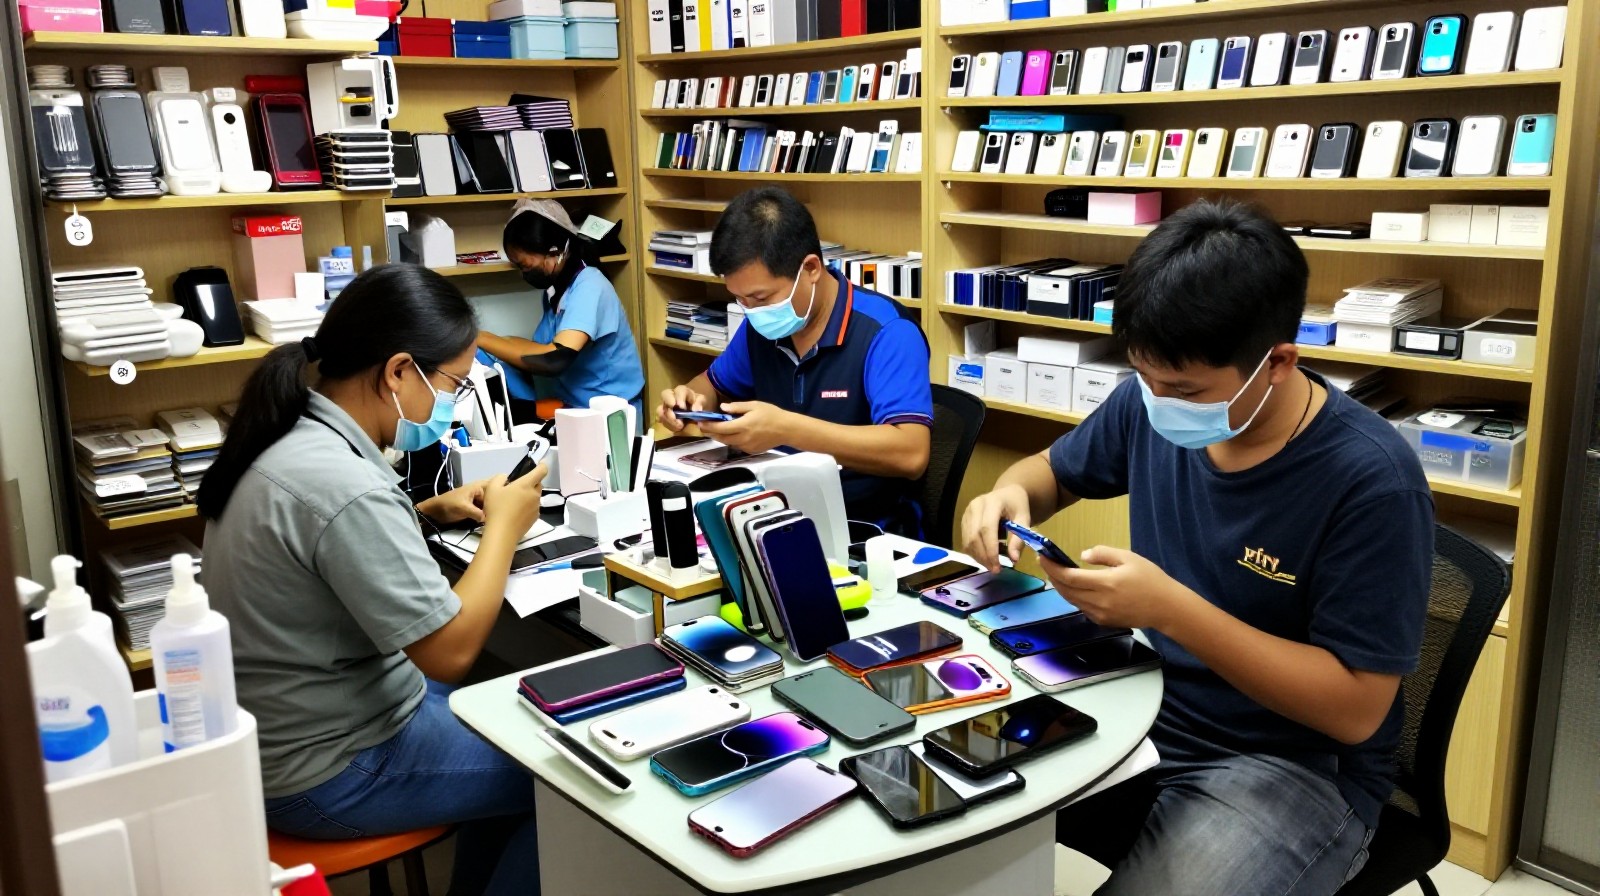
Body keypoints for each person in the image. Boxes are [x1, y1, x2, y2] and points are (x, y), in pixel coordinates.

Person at [962, 200, 1433, 896]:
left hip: (1293, 766)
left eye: (1182, 389)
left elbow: (1355, 707)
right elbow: (1049, 474)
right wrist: (1006, 497)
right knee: (948, 802)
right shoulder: (1149, 403)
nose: (1157, 401)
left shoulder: (1372, 481)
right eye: (1146, 379)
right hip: (1140, 705)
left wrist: (1171, 610)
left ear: (1278, 362)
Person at [198, 265, 546, 896]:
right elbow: (449, 652)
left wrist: (422, 512)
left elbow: (316, 548)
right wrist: (505, 526)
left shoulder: (293, 432)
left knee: (518, 717)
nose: (449, 403)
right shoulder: (345, 485)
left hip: (289, 733)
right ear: (397, 372)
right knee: (562, 780)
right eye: (452, 385)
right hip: (329, 768)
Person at [656, 186, 933, 534]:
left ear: (812, 268)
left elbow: (911, 453)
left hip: (864, 530)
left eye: (760, 297)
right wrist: (689, 401)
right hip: (769, 516)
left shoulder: (887, 332)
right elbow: (712, 384)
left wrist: (785, 430)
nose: (752, 311)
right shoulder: (762, 325)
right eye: (740, 299)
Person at [477, 199, 645, 421]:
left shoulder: (590, 286)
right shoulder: (556, 291)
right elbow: (538, 348)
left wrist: (480, 337)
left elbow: (555, 358)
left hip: (606, 413)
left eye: (525, 266)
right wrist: (479, 340)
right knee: (482, 355)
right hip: (571, 406)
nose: (523, 274)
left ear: (555, 252)